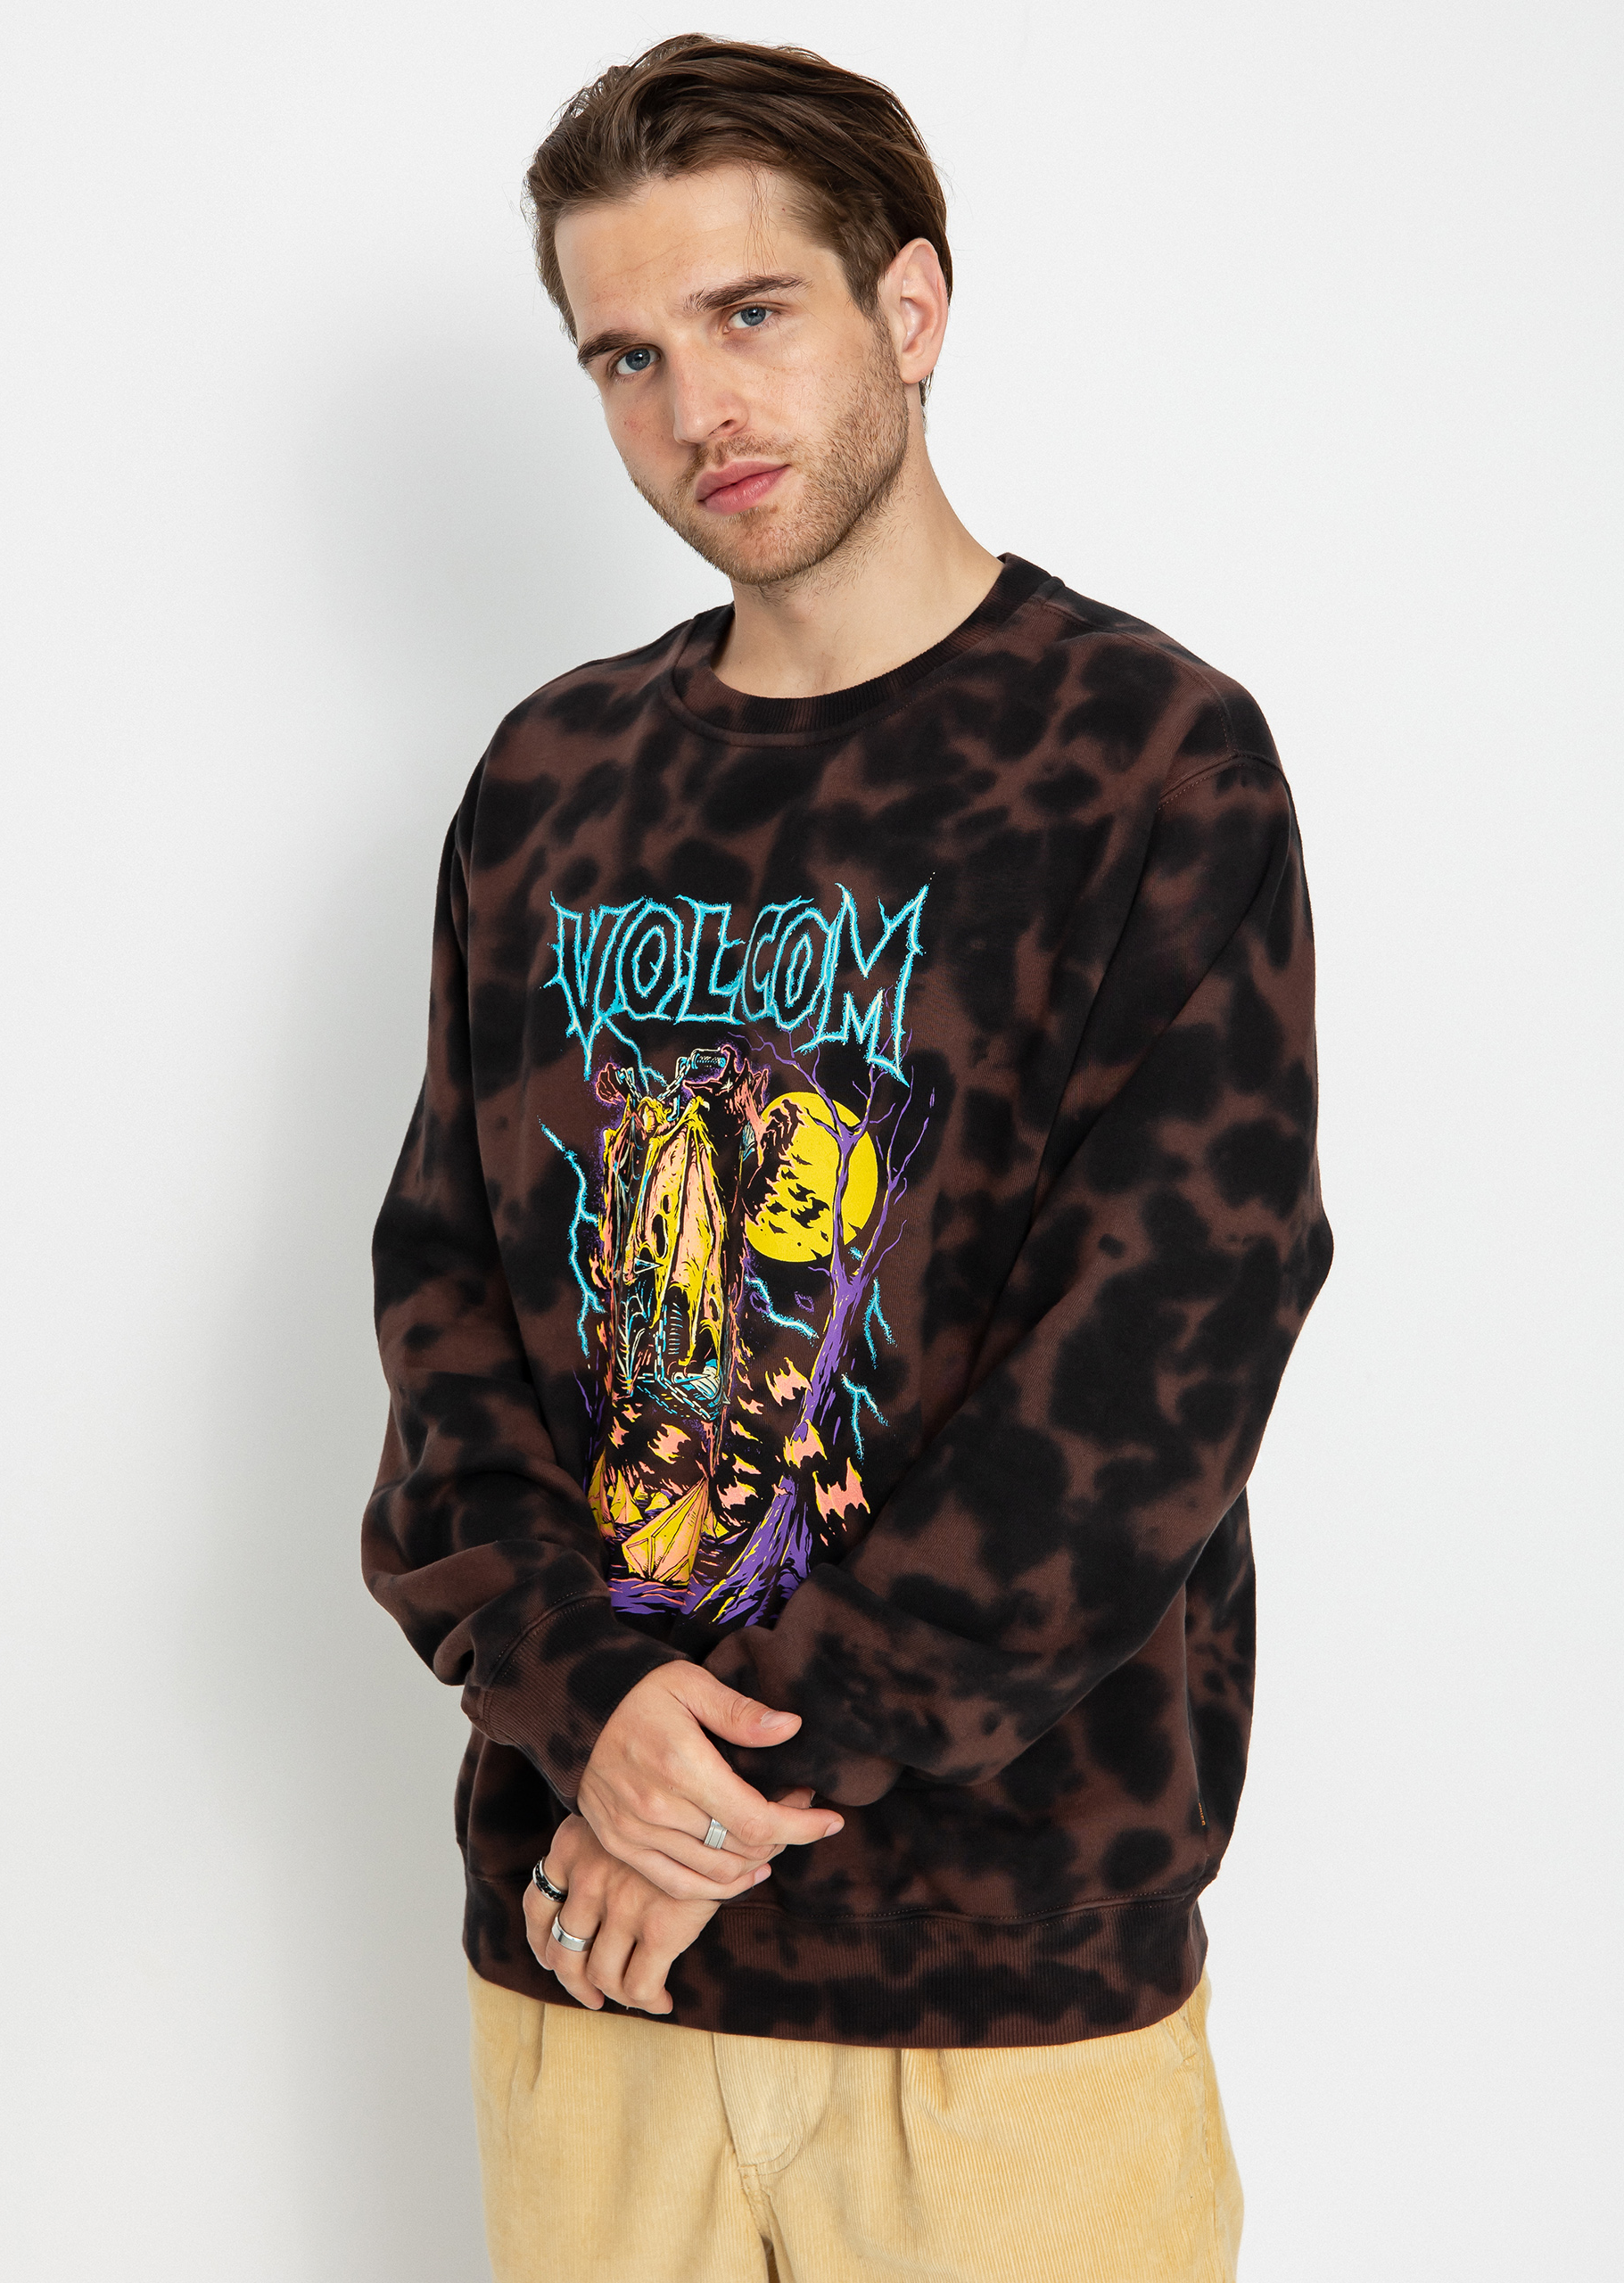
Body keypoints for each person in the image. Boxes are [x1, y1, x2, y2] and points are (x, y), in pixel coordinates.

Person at [363, 33, 1331, 2283]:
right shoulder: (551, 779)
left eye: (750, 312)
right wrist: (589, 1705)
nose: (695, 405)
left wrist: (719, 1791)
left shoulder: (1147, 759)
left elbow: (1161, 1358)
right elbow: (445, 1310)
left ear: (910, 305)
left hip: (1003, 1979)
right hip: (594, 1958)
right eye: (625, 353)